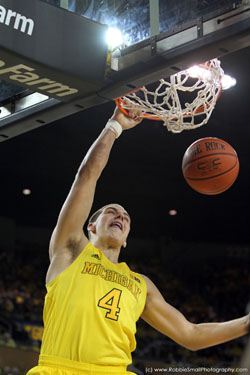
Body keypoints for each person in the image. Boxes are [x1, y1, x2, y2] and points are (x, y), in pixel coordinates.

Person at [27, 106, 249, 375]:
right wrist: (114, 126)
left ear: (126, 241)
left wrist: (247, 323)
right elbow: (86, 177)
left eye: (126, 216)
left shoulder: (140, 284)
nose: (120, 215)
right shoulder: (72, 251)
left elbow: (190, 334)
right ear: (90, 226)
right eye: (111, 211)